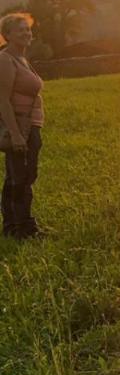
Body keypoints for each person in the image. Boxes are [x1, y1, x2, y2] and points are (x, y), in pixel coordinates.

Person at [0, 12, 46, 240]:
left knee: (24, 174)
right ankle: (21, 228)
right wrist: (15, 134)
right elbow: (3, 100)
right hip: (19, 125)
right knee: (20, 176)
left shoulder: (22, 59)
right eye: (21, 30)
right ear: (7, 35)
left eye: (28, 29)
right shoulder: (5, 59)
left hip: (31, 125)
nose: (27, 33)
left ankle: (15, 226)